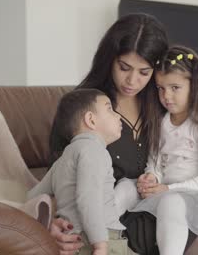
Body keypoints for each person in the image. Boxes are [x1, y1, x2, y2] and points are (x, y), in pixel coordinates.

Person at [49, 13, 198, 255]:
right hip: (117, 220)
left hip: (167, 211)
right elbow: (59, 173)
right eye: (124, 67)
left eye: (144, 72)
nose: (132, 80)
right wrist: (53, 221)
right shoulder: (85, 107)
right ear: (110, 60)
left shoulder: (164, 103)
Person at [127, 45, 198, 255]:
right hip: (166, 190)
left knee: (171, 202)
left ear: (194, 87)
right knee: (125, 188)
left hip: (196, 197)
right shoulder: (162, 123)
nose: (166, 96)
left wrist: (168, 190)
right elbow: (156, 161)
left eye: (174, 88)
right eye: (160, 88)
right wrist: (151, 176)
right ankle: (98, 237)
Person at [28, 89, 131, 255]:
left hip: (72, 240)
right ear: (90, 120)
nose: (118, 115)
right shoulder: (94, 150)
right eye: (110, 109)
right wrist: (100, 245)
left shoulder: (62, 161)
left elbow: (33, 198)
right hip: (99, 239)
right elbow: (88, 198)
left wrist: (48, 223)